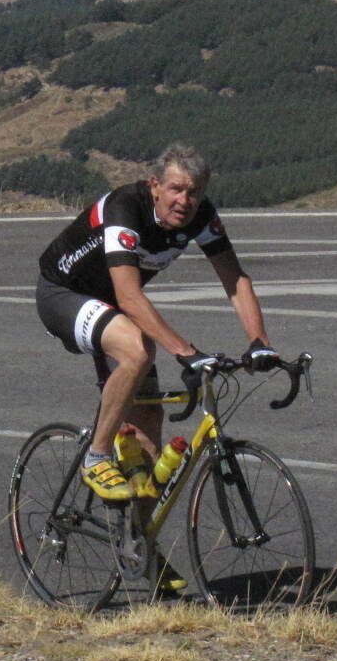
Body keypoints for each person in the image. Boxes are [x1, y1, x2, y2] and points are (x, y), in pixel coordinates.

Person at [35, 142, 279, 500]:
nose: (185, 200)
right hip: (63, 294)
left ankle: (140, 547)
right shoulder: (125, 208)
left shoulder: (201, 215)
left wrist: (260, 342)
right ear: (154, 186)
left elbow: (235, 278)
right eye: (176, 189)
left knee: (149, 427)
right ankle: (96, 456)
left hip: (111, 307)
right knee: (138, 349)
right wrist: (186, 351)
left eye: (193, 192)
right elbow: (129, 296)